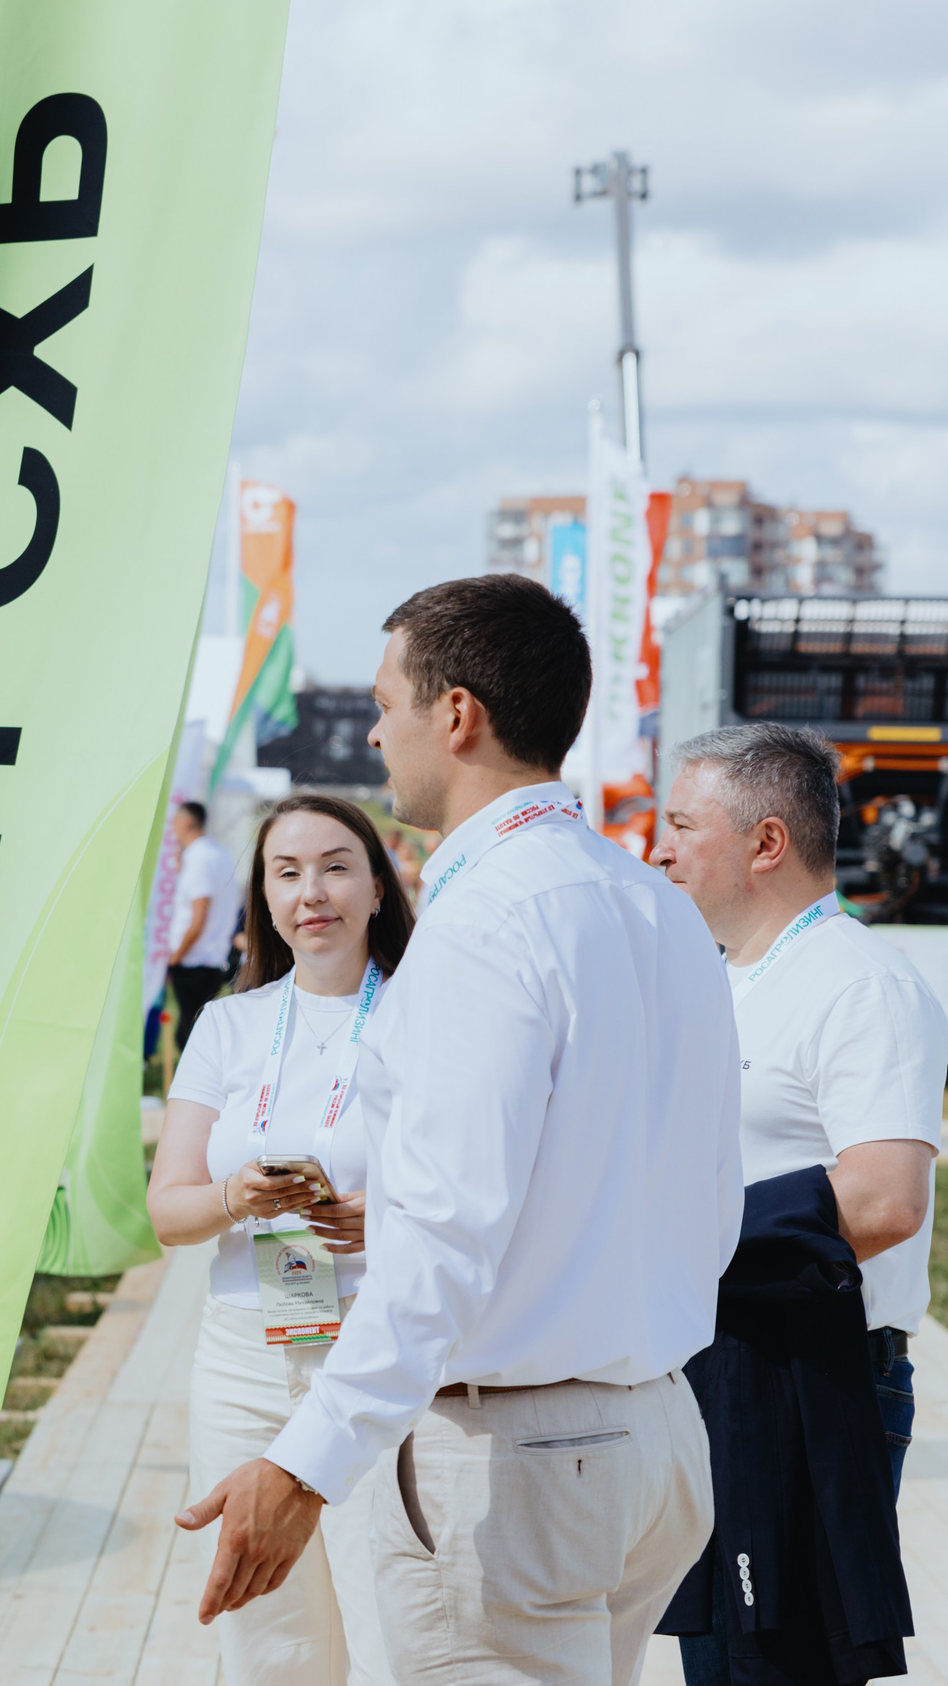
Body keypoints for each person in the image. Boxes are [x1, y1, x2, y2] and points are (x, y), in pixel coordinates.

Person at [180, 574, 740, 1686]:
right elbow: (704, 1186)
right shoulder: (656, 906)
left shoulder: (486, 919)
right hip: (659, 1433)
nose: (373, 732)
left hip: (516, 1456)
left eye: (385, 702)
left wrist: (305, 1463)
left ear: (457, 715)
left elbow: (442, 1235)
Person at [651, 723, 941, 1683]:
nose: (660, 849)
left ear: (766, 842)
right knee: (718, 1663)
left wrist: (673, 1240)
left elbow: (886, 1197)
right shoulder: (722, 977)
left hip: (809, 1375)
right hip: (714, 1364)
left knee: (778, 1667)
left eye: (681, 825)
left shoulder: (862, 984)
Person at [149, 793, 414, 1686]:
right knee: (268, 1644)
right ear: (263, 896)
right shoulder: (230, 1023)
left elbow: (485, 1190)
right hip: (242, 1359)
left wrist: (386, 1215)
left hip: (376, 1351)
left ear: (376, 886)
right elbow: (169, 1210)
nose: (313, 893)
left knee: (394, 1635)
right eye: (287, 872)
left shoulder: (423, 1015)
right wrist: (235, 1197)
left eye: (336, 867)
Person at [168, 801, 243, 1050]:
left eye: (175, 823)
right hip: (212, 956)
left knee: (190, 1039)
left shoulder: (199, 859)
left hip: (193, 960)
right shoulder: (219, 854)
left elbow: (198, 917)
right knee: (196, 1032)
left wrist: (175, 957)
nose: (172, 830)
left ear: (187, 822)